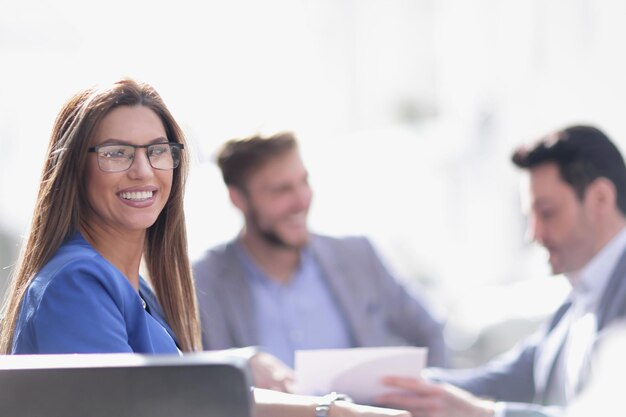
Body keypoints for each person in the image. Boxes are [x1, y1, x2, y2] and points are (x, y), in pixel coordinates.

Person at [0, 78, 410, 417]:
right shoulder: (77, 282)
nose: (143, 170)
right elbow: (137, 407)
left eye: (158, 151)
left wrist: (329, 409)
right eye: (116, 153)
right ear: (74, 167)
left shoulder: (134, 290)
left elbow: (181, 393)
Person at [376, 125, 626, 417]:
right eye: (530, 217)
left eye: (546, 213)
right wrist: (391, 388)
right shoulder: (577, 299)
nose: (534, 234)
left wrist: (486, 414)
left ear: (600, 199)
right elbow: (508, 379)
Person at [192, 131, 447, 369]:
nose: (302, 200)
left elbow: (429, 332)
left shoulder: (358, 257)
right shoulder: (202, 284)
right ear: (238, 199)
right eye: (282, 189)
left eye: (304, 182)